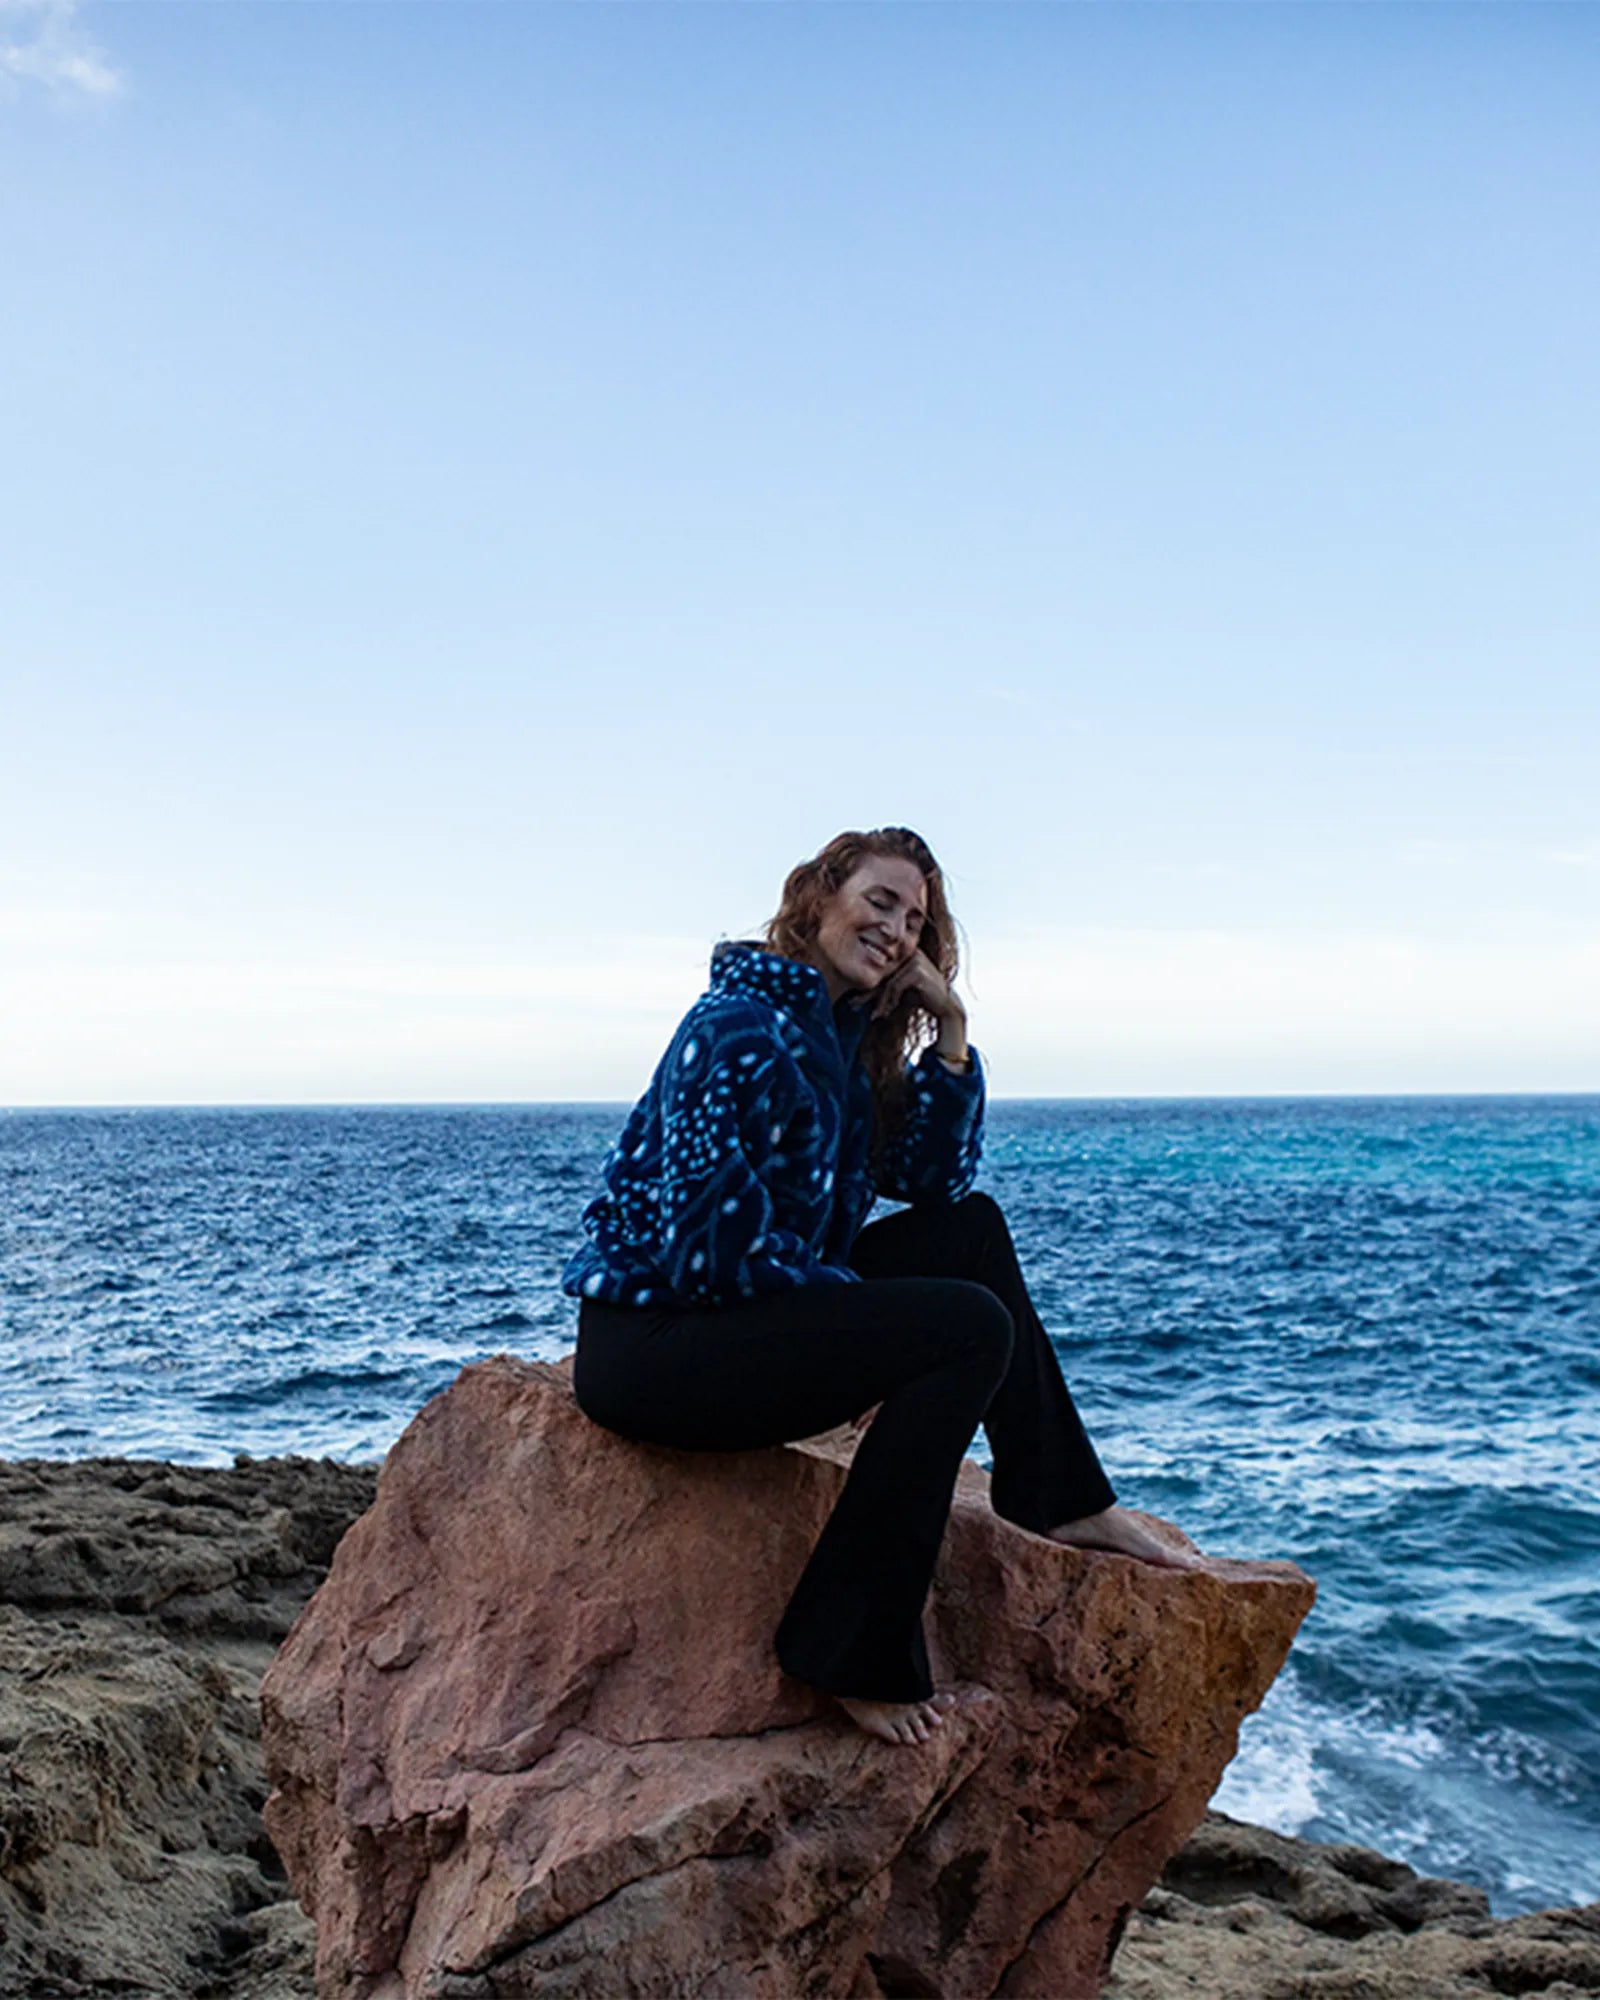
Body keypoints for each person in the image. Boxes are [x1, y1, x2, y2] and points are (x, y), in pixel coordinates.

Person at [563, 826, 1198, 1748]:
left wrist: (950, 1035)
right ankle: (848, 1648)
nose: (898, 930)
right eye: (881, 901)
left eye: (917, 920)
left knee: (969, 1236)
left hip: (747, 1312)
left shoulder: (841, 1039)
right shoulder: (736, 1025)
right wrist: (857, 1325)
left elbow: (936, 1185)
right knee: (963, 1328)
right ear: (819, 896)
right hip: (655, 1351)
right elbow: (709, 1254)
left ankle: (1058, 1493)